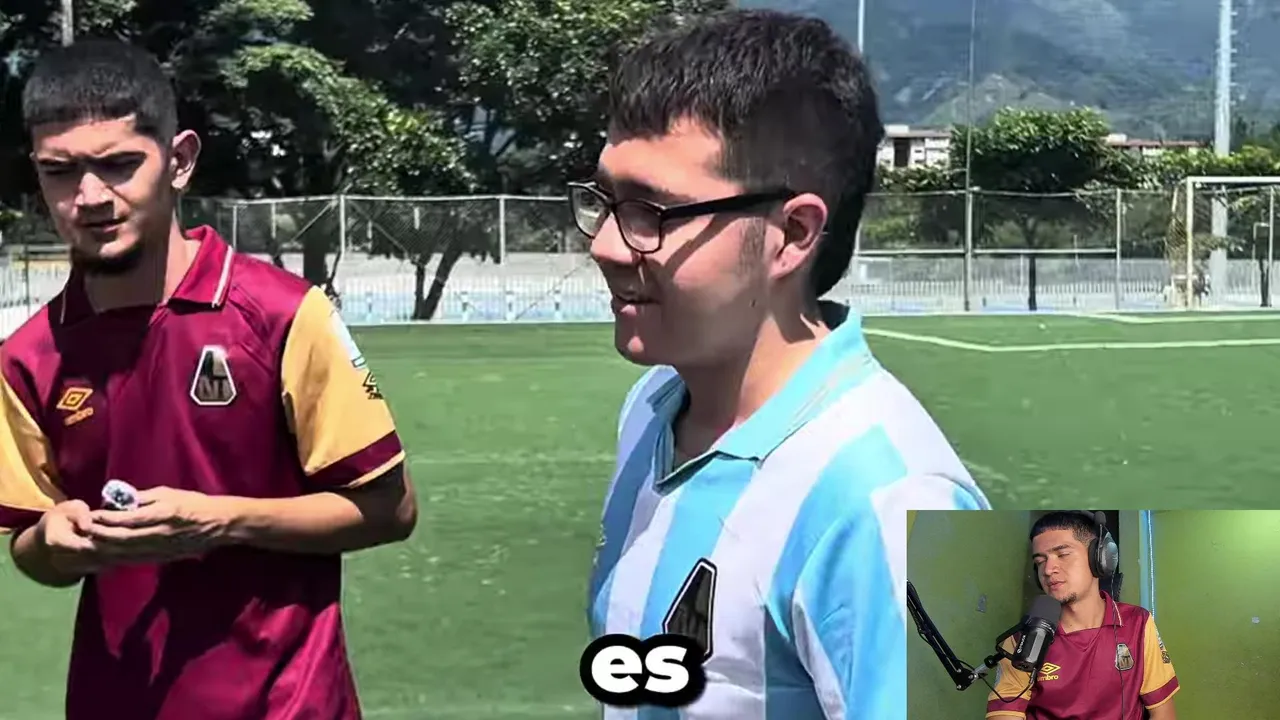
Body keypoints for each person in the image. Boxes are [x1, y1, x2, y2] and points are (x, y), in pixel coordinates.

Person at [576, 10, 990, 718]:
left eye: (653, 212)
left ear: (793, 233)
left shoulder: (887, 501)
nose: (607, 245)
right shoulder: (651, 406)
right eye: (605, 201)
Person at [0, 40, 416, 720]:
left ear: (180, 160)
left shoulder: (285, 315)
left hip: (287, 705)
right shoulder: (27, 357)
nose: (90, 197)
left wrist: (220, 520)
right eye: (60, 172)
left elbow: (390, 509)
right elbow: (30, 546)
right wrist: (54, 540)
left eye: (119, 164)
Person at [986, 512, 1179, 720]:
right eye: (1040, 561)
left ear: (1100, 558)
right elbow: (1005, 714)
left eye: (1062, 555)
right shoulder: (1022, 640)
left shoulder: (1138, 623)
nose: (1048, 570)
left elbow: (1162, 712)